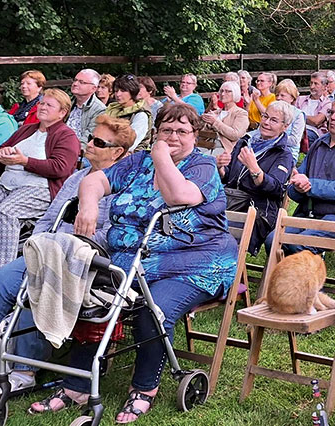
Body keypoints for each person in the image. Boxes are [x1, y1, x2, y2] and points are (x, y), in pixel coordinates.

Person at [33, 104, 238, 423]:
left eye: (182, 131)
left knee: (151, 309)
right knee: (93, 297)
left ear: (195, 136)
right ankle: (77, 385)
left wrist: (161, 155)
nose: (173, 137)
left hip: (192, 264)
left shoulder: (203, 166)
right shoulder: (138, 162)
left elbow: (178, 196)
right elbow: (94, 182)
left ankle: (143, 389)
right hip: (131, 261)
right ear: (156, 131)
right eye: (166, 130)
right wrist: (88, 205)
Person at [0, 115, 132, 392]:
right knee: (3, 279)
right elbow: (48, 218)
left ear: (117, 152)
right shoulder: (78, 177)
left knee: (41, 283)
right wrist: (41, 243)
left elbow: (114, 234)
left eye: (99, 142)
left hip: (90, 259)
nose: (89, 143)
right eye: (91, 137)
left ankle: (25, 368)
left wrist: (66, 245)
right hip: (51, 246)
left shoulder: (124, 186)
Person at [0, 88, 80, 275]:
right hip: (6, 184)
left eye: (49, 105)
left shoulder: (66, 136)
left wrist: (25, 161)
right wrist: (1, 155)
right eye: (42, 103)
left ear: (62, 112)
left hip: (40, 188)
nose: (42, 107)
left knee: (6, 213)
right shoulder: (27, 129)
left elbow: (60, 168)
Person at [267, 97, 335, 255]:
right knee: (273, 240)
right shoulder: (319, 144)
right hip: (309, 214)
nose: (332, 117)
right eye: (331, 112)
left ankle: (302, 278)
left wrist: (310, 185)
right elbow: (295, 187)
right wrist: (298, 187)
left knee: (298, 245)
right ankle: (285, 278)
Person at [217, 101, 295, 254]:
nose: (266, 122)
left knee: (217, 232)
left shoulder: (283, 154)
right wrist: (220, 166)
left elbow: (276, 189)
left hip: (258, 212)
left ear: (285, 127)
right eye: (265, 116)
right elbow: (227, 177)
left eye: (273, 120)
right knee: (197, 223)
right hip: (230, 202)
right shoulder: (245, 142)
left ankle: (224, 272)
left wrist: (254, 168)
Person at [105, 74, 152, 151]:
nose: (118, 94)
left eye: (123, 91)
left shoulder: (141, 115)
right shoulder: (112, 109)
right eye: (116, 91)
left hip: (131, 157)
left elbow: (130, 145)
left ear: (132, 92)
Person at [200, 81, 249, 155]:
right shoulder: (216, 112)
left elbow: (235, 135)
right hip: (206, 145)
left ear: (235, 94)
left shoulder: (241, 113)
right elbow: (202, 136)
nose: (223, 94)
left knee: (202, 159)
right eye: (221, 91)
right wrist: (207, 122)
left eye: (227, 91)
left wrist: (215, 122)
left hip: (226, 149)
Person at [66, 69, 106, 147]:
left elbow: (88, 138)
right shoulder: (67, 102)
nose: (75, 84)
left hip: (78, 151)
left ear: (93, 88)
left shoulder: (100, 110)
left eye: (81, 82)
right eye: (75, 80)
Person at [297, 71, 333, 144]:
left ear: (324, 87)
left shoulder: (327, 103)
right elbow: (292, 116)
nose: (312, 86)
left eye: (316, 84)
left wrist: (299, 116)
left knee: (304, 135)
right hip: (297, 129)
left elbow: (316, 121)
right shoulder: (300, 99)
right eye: (311, 83)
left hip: (314, 133)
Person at [273, 79, 305, 160]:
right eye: (277, 95)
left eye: (282, 95)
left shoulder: (298, 115)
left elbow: (294, 140)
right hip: (270, 149)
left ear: (292, 98)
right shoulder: (272, 110)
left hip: (288, 153)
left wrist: (274, 138)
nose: (278, 98)